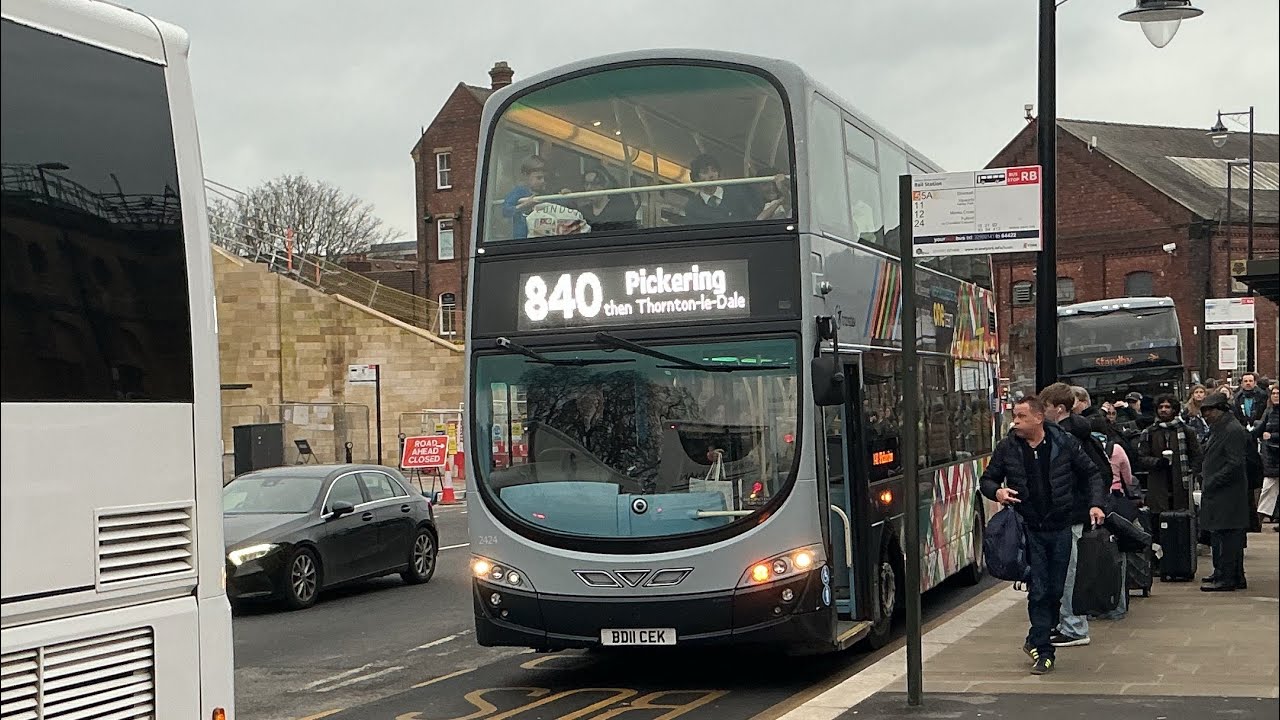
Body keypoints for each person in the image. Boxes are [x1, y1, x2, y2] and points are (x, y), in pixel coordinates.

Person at [979, 394, 1107, 675]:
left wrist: (1096, 504)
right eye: (1014, 416)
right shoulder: (1007, 448)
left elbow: (1092, 474)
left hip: (1060, 526)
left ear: (1038, 418)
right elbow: (987, 480)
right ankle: (1043, 650)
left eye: (1021, 417)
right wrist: (997, 491)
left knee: (1056, 590)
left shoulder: (1064, 443)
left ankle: (1035, 637)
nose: (1015, 422)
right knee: (1038, 589)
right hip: (1029, 528)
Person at [1044, 383, 1110, 649]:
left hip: (1070, 513)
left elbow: (1093, 473)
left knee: (1069, 572)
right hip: (1074, 511)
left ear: (1059, 409)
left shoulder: (1066, 438)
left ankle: (1074, 627)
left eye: (1045, 407)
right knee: (1067, 570)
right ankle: (1068, 623)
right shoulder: (1079, 433)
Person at [1198, 392, 1253, 591]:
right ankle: (1226, 573)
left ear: (1221, 410)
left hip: (1228, 493)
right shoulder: (1220, 428)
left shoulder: (1232, 430)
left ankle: (1228, 577)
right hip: (1221, 492)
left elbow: (1235, 464)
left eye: (1209, 411)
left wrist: (1212, 480)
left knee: (1229, 536)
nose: (1206, 415)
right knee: (1222, 534)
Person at [1134, 396, 1203, 517]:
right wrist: (1157, 462)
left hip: (1182, 485)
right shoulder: (1149, 432)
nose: (1163, 410)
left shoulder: (1187, 431)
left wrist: (1192, 472)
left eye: (1167, 407)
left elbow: (1197, 455)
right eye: (1160, 407)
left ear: (1174, 409)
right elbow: (1141, 457)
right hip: (1158, 484)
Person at [683, 154, 752, 225]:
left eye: (714, 170)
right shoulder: (692, 207)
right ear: (696, 178)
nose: (711, 175)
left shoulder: (735, 193)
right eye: (705, 172)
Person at [573, 168, 638, 232]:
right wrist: (567, 199)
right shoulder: (583, 210)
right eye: (586, 184)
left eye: (594, 183)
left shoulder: (620, 207)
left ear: (604, 185)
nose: (589, 188)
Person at [502, 156, 549, 239]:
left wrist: (564, 194)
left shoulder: (545, 194)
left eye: (545, 178)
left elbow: (561, 204)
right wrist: (523, 206)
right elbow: (505, 210)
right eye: (539, 178)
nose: (543, 181)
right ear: (525, 176)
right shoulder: (519, 192)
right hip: (522, 238)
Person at [1256, 385, 1279, 530]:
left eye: (1278, 393)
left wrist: (1272, 436)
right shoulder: (1269, 411)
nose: (1276, 395)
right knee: (1268, 488)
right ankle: (1259, 517)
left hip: (1274, 453)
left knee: (1269, 487)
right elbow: (1260, 428)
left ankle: (1259, 517)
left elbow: (1267, 432)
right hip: (1271, 457)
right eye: (1274, 393)